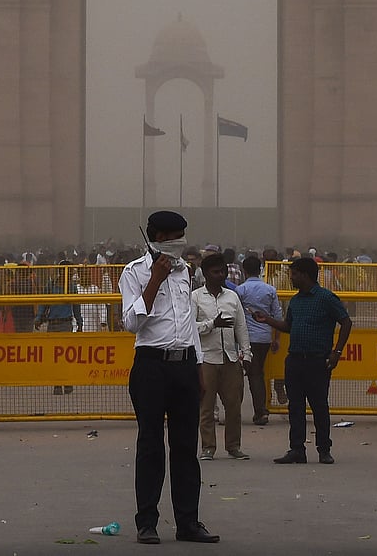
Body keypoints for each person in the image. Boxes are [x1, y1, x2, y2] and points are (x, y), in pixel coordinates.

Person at [119, 210, 219, 545]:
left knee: (185, 447)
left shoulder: (184, 272)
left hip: (184, 365)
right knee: (150, 446)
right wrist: (154, 282)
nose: (182, 243)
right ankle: (147, 522)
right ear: (158, 238)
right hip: (151, 365)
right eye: (176, 236)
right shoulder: (134, 272)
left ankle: (188, 522)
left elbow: (188, 320)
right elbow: (132, 323)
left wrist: (199, 365)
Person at [252, 257, 352, 465]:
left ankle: (324, 449)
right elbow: (288, 326)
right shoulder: (296, 301)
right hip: (295, 360)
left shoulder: (326, 298)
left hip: (318, 361)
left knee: (319, 406)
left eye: (294, 274)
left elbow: (345, 321)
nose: (291, 278)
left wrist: (337, 352)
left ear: (305, 275)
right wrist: (267, 320)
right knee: (295, 407)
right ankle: (297, 449)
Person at [193, 253, 251, 461]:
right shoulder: (196, 297)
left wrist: (247, 354)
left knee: (234, 405)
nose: (220, 275)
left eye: (223, 272)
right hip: (206, 359)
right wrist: (211, 324)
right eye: (215, 272)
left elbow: (241, 327)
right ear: (205, 274)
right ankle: (208, 447)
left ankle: (233, 446)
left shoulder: (232, 297)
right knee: (206, 407)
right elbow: (190, 328)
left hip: (230, 358)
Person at [234, 253, 281, 425]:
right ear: (260, 269)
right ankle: (260, 410)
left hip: (247, 339)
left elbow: (236, 316)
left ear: (244, 270)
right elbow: (277, 315)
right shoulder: (270, 290)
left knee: (252, 375)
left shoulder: (241, 290)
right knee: (258, 373)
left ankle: (260, 412)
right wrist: (276, 338)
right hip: (265, 338)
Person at [38, 258, 83, 395]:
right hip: (53, 324)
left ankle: (67, 382)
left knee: (66, 355)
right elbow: (43, 304)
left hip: (66, 324)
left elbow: (76, 307)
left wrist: (80, 323)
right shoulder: (51, 286)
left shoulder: (72, 288)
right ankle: (57, 384)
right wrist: (39, 317)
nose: (69, 274)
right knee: (54, 356)